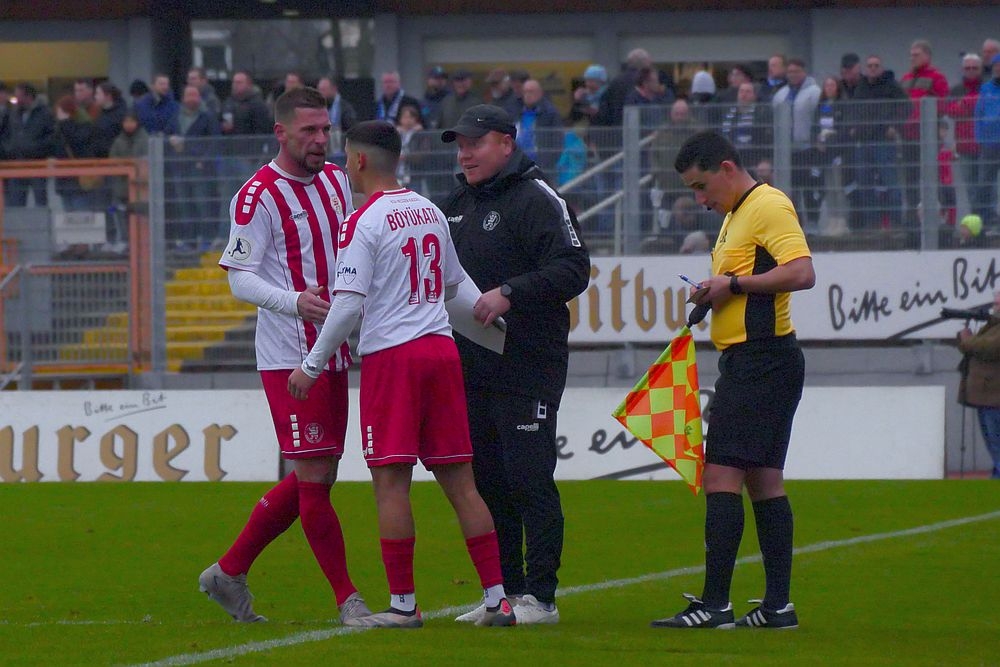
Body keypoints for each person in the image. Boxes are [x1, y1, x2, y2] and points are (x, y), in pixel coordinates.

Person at [286, 120, 517, 629]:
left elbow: (348, 305)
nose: (344, 166)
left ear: (360, 161)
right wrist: (490, 317)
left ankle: (404, 606)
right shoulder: (430, 210)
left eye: (347, 158)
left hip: (395, 359)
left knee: (391, 484)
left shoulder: (362, 221)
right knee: (462, 484)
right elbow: (455, 285)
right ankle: (498, 598)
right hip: (441, 350)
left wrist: (311, 364)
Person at [199, 86, 370, 626]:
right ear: (281, 133)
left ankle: (228, 572)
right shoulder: (257, 196)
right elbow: (239, 279)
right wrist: (294, 301)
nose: (321, 140)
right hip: (289, 357)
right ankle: (348, 600)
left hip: (333, 349)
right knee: (314, 477)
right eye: (309, 131)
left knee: (319, 475)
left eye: (326, 130)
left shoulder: (338, 181)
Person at [652, 130, 815, 630]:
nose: (700, 200)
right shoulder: (735, 215)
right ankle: (777, 607)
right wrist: (715, 293)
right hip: (759, 361)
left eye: (701, 187)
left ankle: (715, 603)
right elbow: (745, 284)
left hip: (761, 361)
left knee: (721, 475)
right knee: (764, 480)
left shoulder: (767, 205)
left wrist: (734, 284)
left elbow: (802, 273)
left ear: (726, 168)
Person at [439, 105, 590, 624]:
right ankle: (502, 593)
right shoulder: (454, 203)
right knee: (488, 483)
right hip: (472, 365)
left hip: (528, 365)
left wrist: (510, 292)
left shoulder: (537, 198)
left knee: (529, 478)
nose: (465, 155)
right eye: (460, 146)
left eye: (475, 144)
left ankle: (541, 598)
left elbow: (574, 267)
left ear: (507, 143)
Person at [958, 290, 1000, 479]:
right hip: (987, 397)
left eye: (998, 304)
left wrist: (968, 340)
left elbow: (990, 348)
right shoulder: (993, 325)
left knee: (996, 445)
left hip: (994, 398)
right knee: (993, 446)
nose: (995, 307)